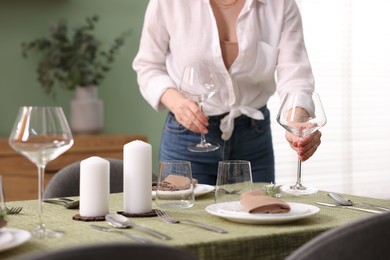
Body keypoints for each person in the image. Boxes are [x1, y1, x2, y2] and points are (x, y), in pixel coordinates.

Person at [132, 0, 322, 185]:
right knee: (184, 214)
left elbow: (295, 78)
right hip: (188, 136)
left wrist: (296, 124)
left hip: (254, 136)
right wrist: (177, 103)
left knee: (261, 212)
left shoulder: (281, 4)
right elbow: (148, 65)